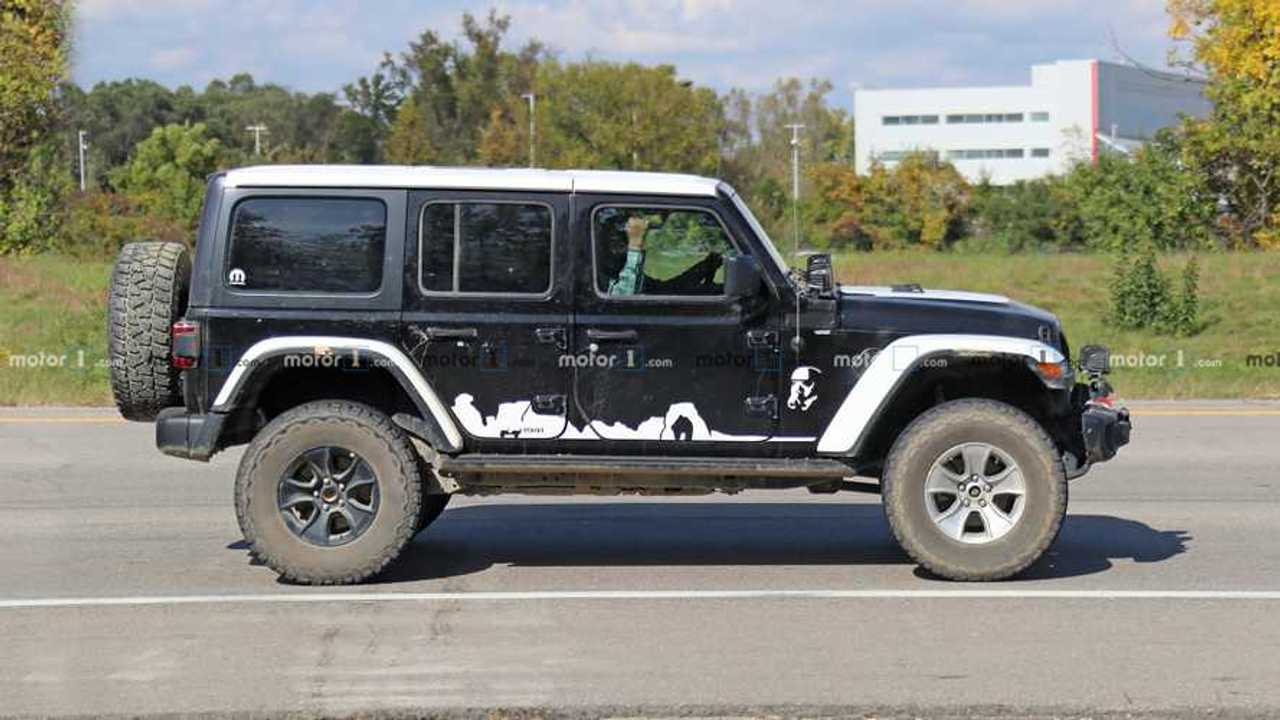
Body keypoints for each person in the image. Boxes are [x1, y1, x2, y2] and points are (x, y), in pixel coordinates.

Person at [607, 214, 724, 296]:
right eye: (613, 236)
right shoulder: (597, 275)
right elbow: (623, 300)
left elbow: (667, 290)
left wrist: (703, 268)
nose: (621, 242)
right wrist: (635, 245)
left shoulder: (612, 269)